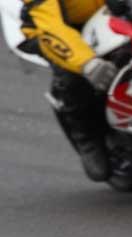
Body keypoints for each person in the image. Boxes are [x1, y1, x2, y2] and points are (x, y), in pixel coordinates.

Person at [19, 0, 117, 181]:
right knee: (73, 78)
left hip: (108, 18)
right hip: (52, 29)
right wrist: (87, 63)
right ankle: (86, 136)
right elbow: (51, 26)